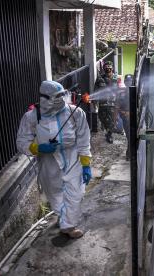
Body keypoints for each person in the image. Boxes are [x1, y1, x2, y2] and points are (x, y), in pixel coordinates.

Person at [17, 80, 92, 239]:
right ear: (44, 98)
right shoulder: (31, 117)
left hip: (72, 159)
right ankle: (63, 217)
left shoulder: (75, 113)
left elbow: (84, 140)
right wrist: (38, 148)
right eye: (55, 96)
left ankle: (68, 226)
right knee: (55, 194)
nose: (60, 98)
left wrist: (86, 164)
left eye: (61, 95)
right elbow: (22, 142)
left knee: (76, 192)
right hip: (48, 162)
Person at [95, 61, 118, 143]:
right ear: (104, 68)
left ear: (112, 68)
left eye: (109, 66)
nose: (108, 68)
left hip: (113, 103)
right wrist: (94, 102)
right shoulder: (100, 78)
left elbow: (120, 91)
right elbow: (96, 90)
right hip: (103, 103)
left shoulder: (116, 78)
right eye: (106, 66)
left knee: (112, 120)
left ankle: (109, 134)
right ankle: (106, 129)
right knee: (102, 118)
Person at [115, 74, 133, 160]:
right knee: (129, 136)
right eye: (127, 81)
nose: (128, 83)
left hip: (134, 116)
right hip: (125, 117)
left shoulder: (136, 91)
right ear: (125, 82)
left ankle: (130, 153)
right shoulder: (121, 92)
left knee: (133, 136)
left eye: (130, 81)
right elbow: (117, 106)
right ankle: (129, 154)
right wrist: (116, 117)